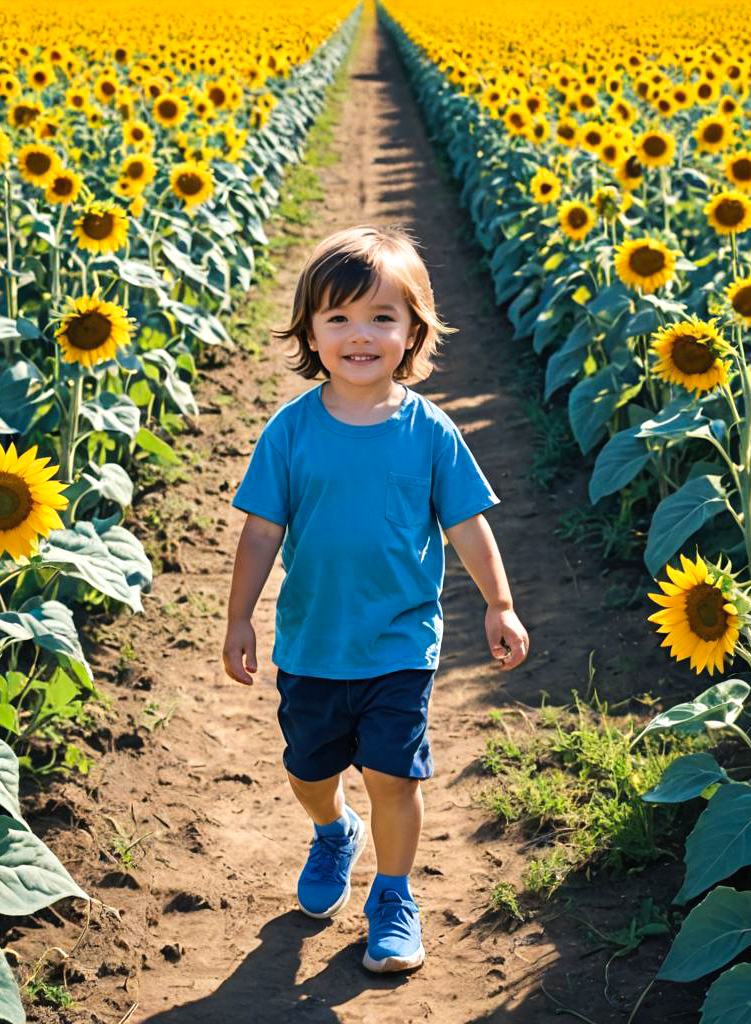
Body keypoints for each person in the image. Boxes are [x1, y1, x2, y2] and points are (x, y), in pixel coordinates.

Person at [222, 224, 528, 974]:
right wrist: (238, 619)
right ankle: (332, 832)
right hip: (313, 641)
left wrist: (500, 603)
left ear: (413, 331)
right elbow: (261, 534)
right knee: (309, 771)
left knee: (395, 774)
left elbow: (466, 523)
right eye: (340, 318)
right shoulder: (290, 431)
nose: (361, 335)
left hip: (399, 639)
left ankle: (392, 895)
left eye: (382, 318)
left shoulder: (430, 432)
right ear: (311, 332)